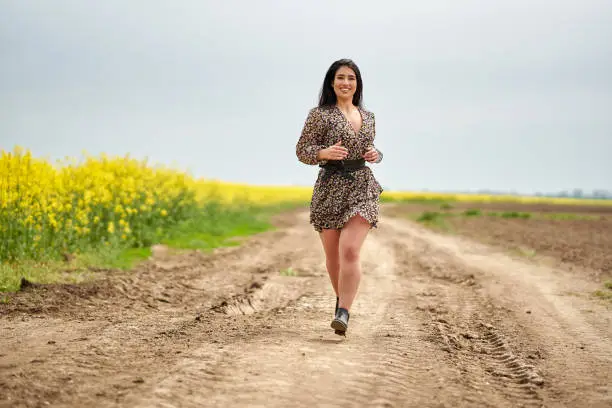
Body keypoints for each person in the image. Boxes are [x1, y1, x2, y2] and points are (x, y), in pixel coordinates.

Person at [295, 58, 383, 336]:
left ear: (358, 84)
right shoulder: (319, 115)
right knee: (333, 258)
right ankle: (341, 301)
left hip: (361, 185)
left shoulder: (368, 116)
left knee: (350, 250)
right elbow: (302, 150)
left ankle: (343, 311)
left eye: (351, 78)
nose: (346, 83)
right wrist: (323, 153)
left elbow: (371, 148)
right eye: (341, 78)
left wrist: (376, 154)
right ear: (331, 83)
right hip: (330, 186)